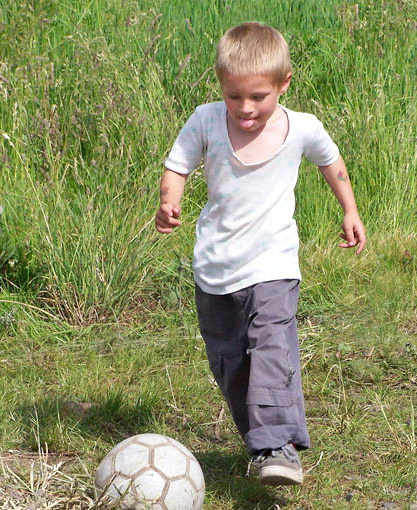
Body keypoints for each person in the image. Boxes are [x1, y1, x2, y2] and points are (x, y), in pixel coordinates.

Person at [155, 22, 366, 486]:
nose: (246, 109)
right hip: (214, 268)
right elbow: (177, 164)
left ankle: (278, 447)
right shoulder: (206, 120)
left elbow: (332, 162)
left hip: (273, 264)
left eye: (258, 97)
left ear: (284, 83)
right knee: (232, 364)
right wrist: (169, 201)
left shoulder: (302, 128)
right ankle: (262, 445)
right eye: (234, 96)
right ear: (220, 85)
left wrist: (349, 209)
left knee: (272, 346)